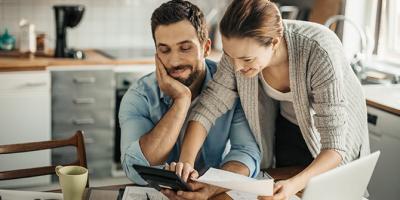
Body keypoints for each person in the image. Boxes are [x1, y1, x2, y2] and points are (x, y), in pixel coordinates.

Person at [175, 0, 370, 199]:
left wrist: (292, 185)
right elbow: (209, 106)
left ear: (275, 42)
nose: (236, 68)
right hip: (288, 127)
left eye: (247, 60)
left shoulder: (319, 51)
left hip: (331, 139)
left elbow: (334, 147)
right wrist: (186, 163)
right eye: (229, 56)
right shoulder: (239, 52)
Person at [119, 0, 261, 199]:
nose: (174, 61)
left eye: (185, 48)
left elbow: (246, 153)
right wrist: (181, 100)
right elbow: (135, 168)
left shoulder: (231, 86)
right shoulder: (139, 96)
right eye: (165, 50)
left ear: (206, 48)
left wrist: (212, 185)